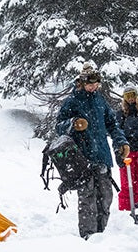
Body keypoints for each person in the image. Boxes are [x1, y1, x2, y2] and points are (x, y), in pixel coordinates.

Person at [56, 63, 130, 239]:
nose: (94, 87)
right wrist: (73, 123)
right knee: (88, 200)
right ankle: (88, 237)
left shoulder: (100, 100)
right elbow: (59, 126)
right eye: (90, 84)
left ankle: (101, 234)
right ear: (81, 82)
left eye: (96, 83)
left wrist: (121, 141)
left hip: (102, 157)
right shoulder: (72, 101)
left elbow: (112, 124)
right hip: (82, 159)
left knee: (105, 198)